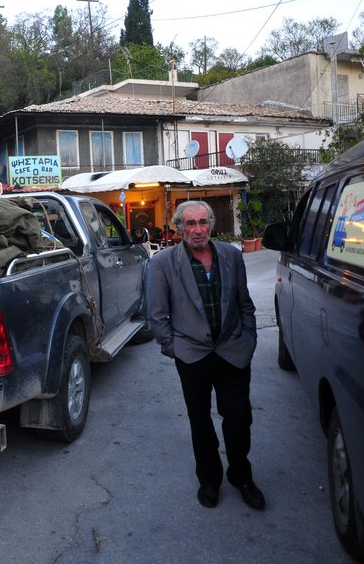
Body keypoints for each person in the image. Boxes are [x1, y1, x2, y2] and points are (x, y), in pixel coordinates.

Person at [146, 200, 264, 510]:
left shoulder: (231, 256)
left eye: (202, 222)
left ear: (211, 225)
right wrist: (174, 349)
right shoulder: (163, 263)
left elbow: (245, 304)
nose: (198, 230)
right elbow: (158, 315)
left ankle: (241, 476)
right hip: (192, 355)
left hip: (232, 351)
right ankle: (209, 480)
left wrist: (248, 339)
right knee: (200, 422)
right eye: (190, 223)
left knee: (238, 418)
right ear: (179, 228)